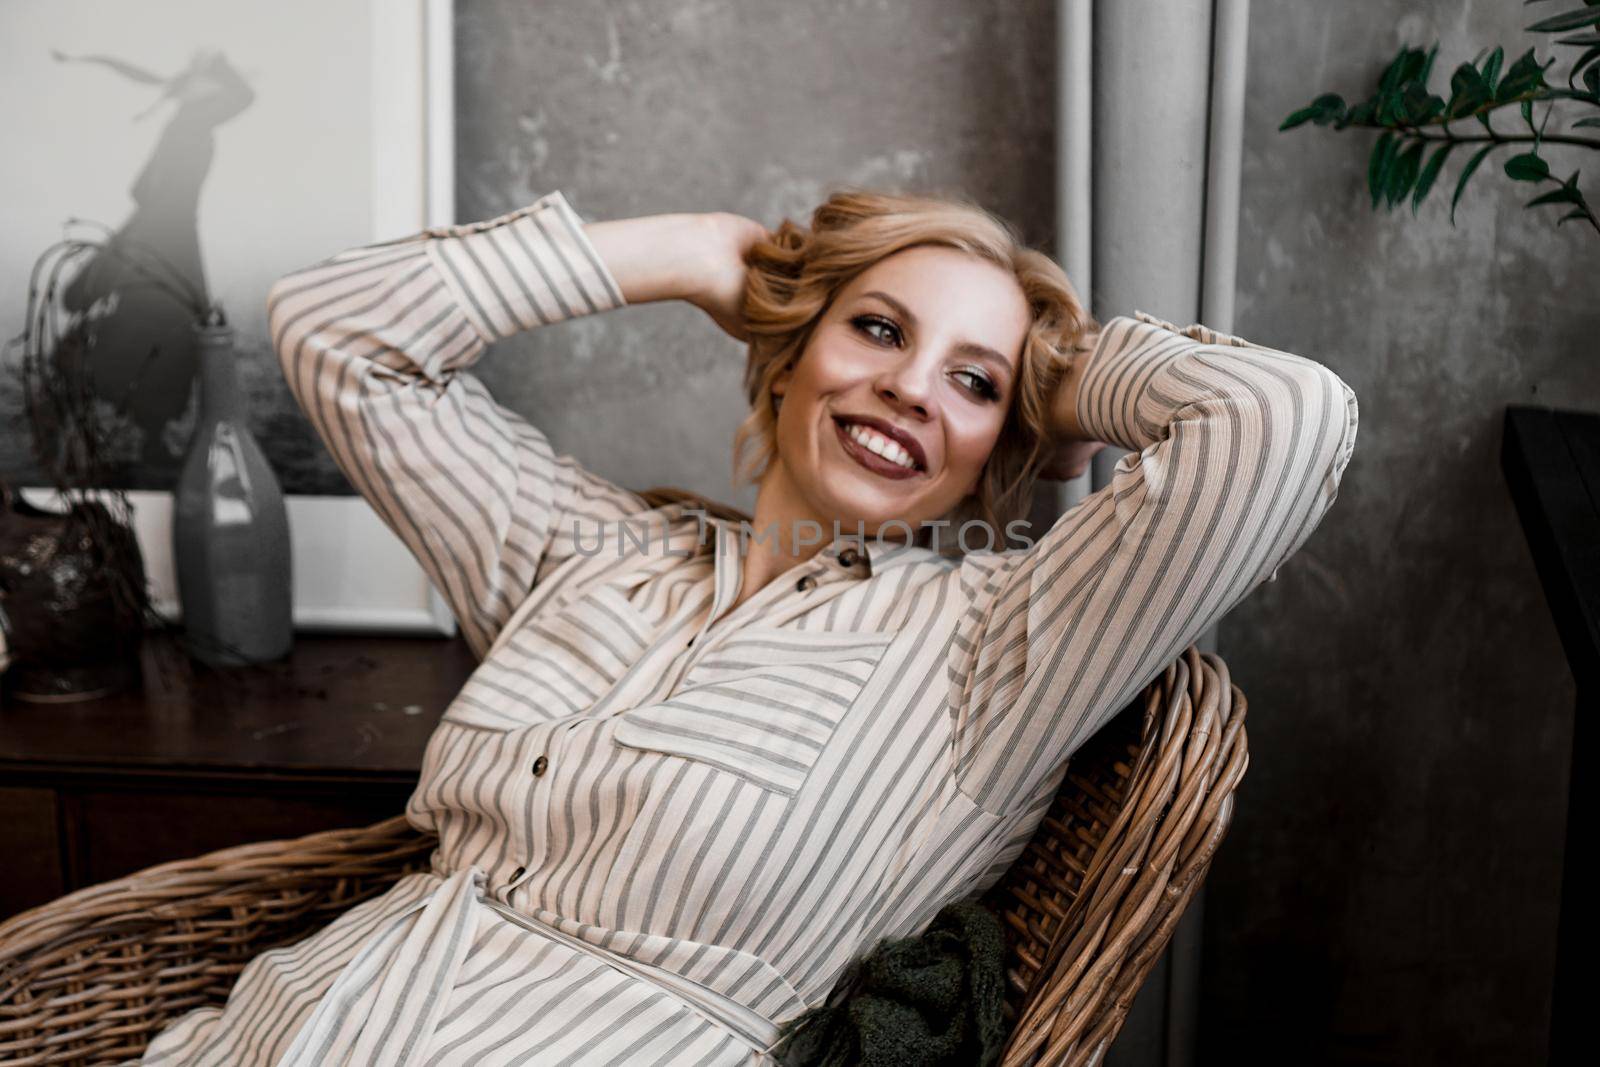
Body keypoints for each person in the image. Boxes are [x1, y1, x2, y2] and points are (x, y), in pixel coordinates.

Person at [131, 187, 1357, 1065]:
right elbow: (335, 330)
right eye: (877, 327)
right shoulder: (584, 549)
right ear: (787, 357)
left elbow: (1282, 422)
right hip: (273, 1025)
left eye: (972, 381)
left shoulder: (995, 648)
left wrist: (1066, 376)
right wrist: (696, 251)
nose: (909, 384)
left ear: (1002, 446)